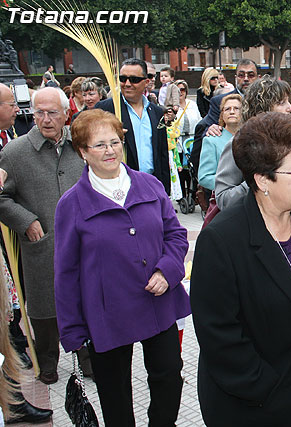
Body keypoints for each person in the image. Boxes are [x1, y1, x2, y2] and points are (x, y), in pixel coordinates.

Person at [190, 112, 291, 426]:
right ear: (263, 179)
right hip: (249, 402)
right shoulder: (221, 241)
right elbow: (219, 336)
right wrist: (271, 387)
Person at [54, 108, 190, 427]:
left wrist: (167, 270)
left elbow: (176, 233)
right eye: (99, 145)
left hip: (158, 302)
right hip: (107, 314)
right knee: (115, 395)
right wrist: (72, 331)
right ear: (82, 152)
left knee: (169, 377)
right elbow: (66, 272)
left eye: (115, 142)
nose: (110, 150)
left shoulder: (149, 186)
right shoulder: (71, 205)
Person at [0, 87, 85, 385]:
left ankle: (88, 358)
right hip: (42, 244)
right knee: (45, 307)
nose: (45, 119)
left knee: (84, 300)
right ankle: (47, 360)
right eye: (39, 113)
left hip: (82, 243)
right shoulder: (14, 153)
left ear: (66, 114)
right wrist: (25, 220)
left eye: (52, 113)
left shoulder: (80, 145)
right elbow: (0, 196)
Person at [214, 76, 291, 210]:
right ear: (263, 109)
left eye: (288, 101)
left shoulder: (289, 141)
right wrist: (260, 181)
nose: (290, 108)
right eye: (281, 102)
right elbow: (224, 199)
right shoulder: (240, 143)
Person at [95, 58, 171, 194]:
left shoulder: (156, 111)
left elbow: (162, 154)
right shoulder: (106, 109)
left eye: (134, 79)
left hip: (151, 185)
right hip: (117, 187)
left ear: (146, 82)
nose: (127, 84)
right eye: (123, 79)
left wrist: (165, 192)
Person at [198, 94, 242, 191]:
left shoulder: (251, 138)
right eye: (227, 109)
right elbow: (204, 177)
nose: (232, 112)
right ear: (222, 114)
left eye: (236, 108)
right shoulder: (211, 140)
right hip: (225, 197)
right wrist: (231, 186)